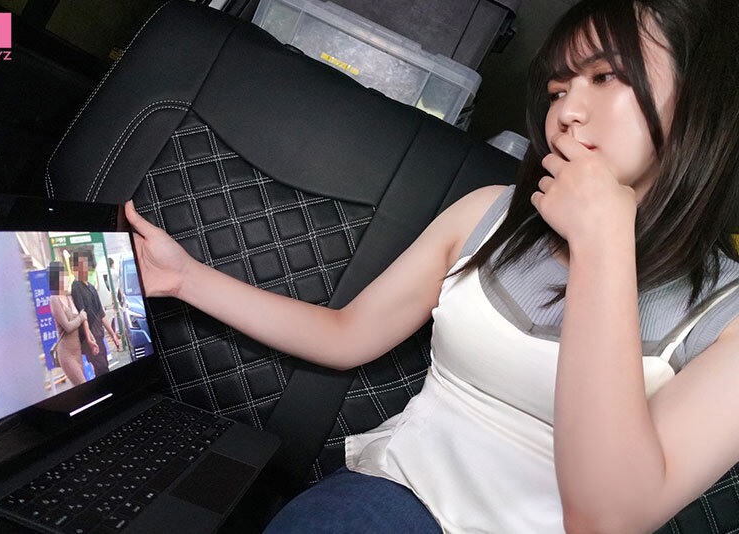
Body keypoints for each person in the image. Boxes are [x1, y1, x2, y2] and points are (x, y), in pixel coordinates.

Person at [124, 0, 739, 531]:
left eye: (605, 76)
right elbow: (345, 334)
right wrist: (186, 277)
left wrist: (604, 242)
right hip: (396, 499)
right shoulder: (488, 214)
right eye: (558, 90)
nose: (567, 112)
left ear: (698, 104)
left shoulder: (726, 312)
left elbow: (607, 520)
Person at [70, 251, 121, 377]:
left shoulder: (91, 287)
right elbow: (82, 315)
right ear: (74, 269)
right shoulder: (76, 287)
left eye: (85, 264)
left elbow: (101, 313)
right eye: (80, 265)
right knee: (101, 368)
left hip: (99, 335)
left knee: (104, 368)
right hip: (90, 337)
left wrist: (113, 335)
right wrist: (89, 339)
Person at [48, 261, 88, 386]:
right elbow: (68, 327)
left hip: (77, 350)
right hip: (66, 353)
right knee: (82, 384)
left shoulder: (69, 297)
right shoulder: (54, 299)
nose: (65, 278)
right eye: (62, 276)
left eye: (65, 275)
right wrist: (80, 318)